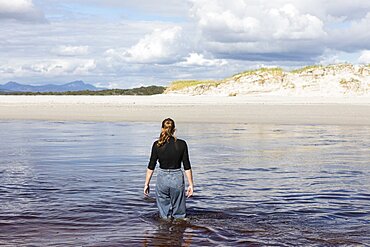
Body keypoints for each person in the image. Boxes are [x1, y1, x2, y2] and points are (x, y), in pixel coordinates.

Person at [144, 118, 194, 220]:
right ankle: (178, 233)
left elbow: (151, 165)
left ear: (162, 129)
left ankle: (164, 233)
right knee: (180, 215)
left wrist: (146, 183)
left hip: (162, 179)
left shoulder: (157, 145)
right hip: (177, 179)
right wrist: (191, 184)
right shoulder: (182, 144)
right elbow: (187, 165)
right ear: (174, 129)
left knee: (163, 215)